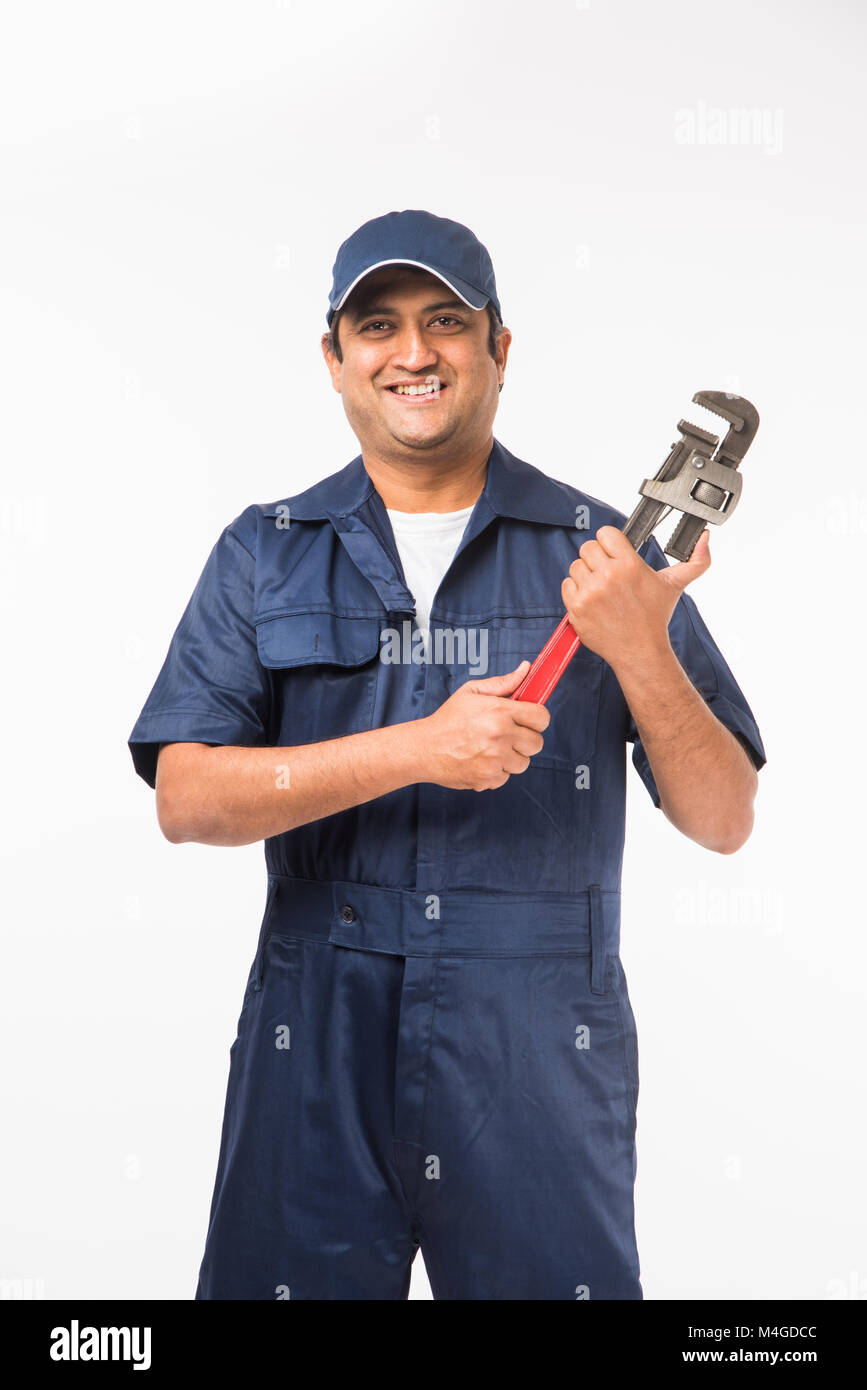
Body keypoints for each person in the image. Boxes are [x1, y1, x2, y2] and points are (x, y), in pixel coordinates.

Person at [128, 208, 766, 1300]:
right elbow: (187, 798)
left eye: (446, 322)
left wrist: (640, 648)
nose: (413, 353)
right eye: (377, 326)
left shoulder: (606, 555)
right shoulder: (264, 552)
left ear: (499, 348)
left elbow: (723, 819)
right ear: (335, 361)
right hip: (314, 1035)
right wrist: (415, 749)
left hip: (539, 1053)